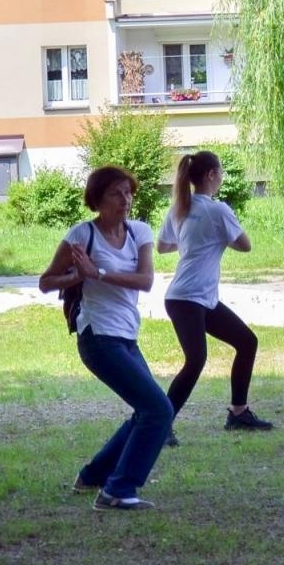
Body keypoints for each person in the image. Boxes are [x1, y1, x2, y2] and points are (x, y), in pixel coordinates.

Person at [39, 166, 171, 511]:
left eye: (128, 192)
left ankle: (93, 476)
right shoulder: (82, 235)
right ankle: (117, 490)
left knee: (148, 410)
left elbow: (145, 281)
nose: (125, 200)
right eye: (116, 193)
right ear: (97, 200)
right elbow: (46, 282)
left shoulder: (139, 232)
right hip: (97, 337)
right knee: (158, 409)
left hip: (127, 334)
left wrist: (96, 273)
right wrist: (76, 277)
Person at [156, 150, 269, 440]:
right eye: (220, 173)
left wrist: (194, 240)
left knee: (247, 342)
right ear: (210, 175)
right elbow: (245, 245)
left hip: (196, 298)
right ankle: (159, 424)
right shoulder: (217, 210)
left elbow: (163, 246)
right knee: (195, 361)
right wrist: (213, 236)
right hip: (187, 299)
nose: (221, 178)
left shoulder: (180, 207)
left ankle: (238, 413)